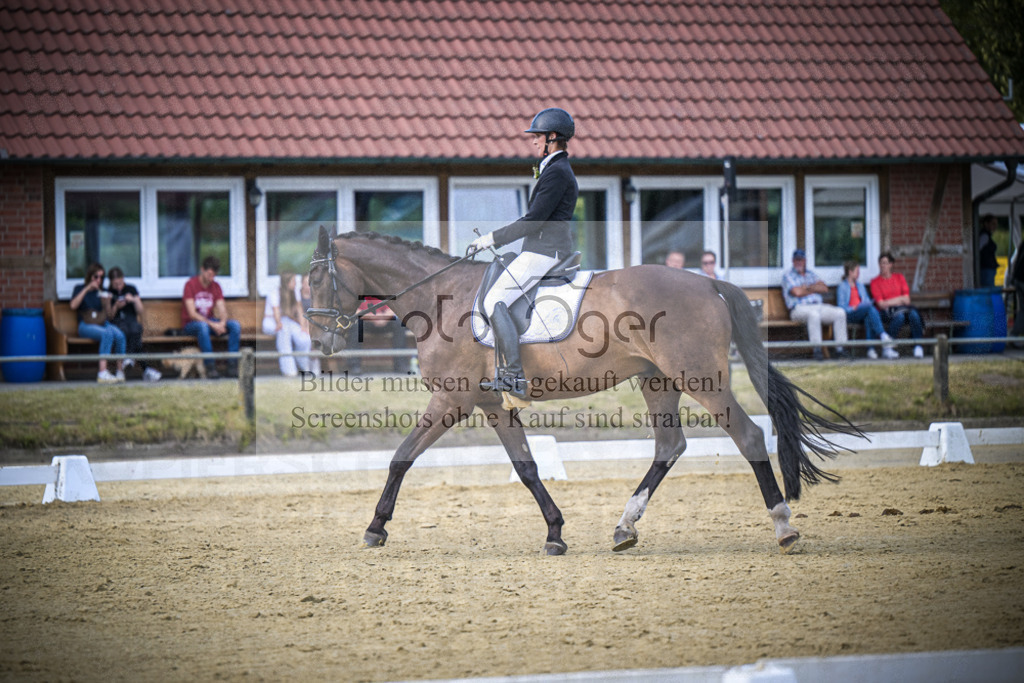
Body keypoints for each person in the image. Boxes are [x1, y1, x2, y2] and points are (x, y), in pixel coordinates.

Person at [468, 107, 578, 400]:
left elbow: (535, 221)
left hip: (545, 251)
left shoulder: (557, 172)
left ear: (552, 138)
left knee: (494, 299)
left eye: (538, 136)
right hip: (541, 247)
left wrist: (490, 239)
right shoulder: (554, 168)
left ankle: (514, 376)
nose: (533, 142)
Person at [782, 249, 849, 361]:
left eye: (801, 260)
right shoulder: (788, 276)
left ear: (805, 261)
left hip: (819, 306)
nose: (799, 262)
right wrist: (814, 288)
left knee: (840, 312)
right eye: (797, 260)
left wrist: (806, 288)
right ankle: (817, 350)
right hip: (798, 309)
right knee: (814, 315)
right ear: (792, 261)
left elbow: (824, 288)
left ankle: (840, 350)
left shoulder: (810, 274)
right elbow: (797, 292)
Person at [181, 255, 241, 378]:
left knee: (235, 325)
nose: (211, 278)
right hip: (191, 324)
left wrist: (222, 322)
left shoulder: (215, 286)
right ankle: (210, 367)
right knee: (203, 327)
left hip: (208, 322)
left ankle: (232, 365)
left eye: (213, 275)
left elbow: (222, 309)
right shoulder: (190, 285)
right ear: (202, 269)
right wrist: (213, 324)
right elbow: (192, 314)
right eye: (209, 274)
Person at [70, 262, 126, 383]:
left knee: (120, 335)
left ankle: (120, 372)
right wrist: (87, 288)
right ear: (90, 276)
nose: (99, 280)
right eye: (96, 276)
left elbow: (110, 316)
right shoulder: (79, 288)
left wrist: (112, 304)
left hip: (102, 323)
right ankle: (102, 372)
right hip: (85, 325)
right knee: (107, 333)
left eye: (101, 277)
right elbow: (73, 306)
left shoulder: (103, 291)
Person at [107, 267, 162, 381]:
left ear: (123, 279)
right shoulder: (109, 293)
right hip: (117, 322)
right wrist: (116, 306)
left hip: (131, 320)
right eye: (115, 284)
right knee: (128, 333)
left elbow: (140, 310)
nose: (118, 286)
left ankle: (130, 357)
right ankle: (146, 369)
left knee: (137, 329)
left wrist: (134, 300)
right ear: (111, 282)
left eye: (120, 283)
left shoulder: (131, 289)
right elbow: (110, 316)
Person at [836, 260, 897, 360]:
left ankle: (871, 350)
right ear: (850, 272)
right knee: (870, 310)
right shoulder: (842, 287)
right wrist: (853, 307)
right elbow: (841, 307)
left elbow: (867, 301)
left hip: (862, 312)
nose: (859, 274)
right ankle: (883, 336)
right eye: (857, 271)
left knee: (869, 315)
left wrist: (865, 304)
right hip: (850, 314)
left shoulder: (860, 285)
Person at [870, 252, 925, 359]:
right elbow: (881, 304)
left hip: (903, 310)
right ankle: (888, 348)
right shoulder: (875, 282)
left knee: (913, 314)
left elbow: (907, 300)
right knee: (899, 317)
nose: (883, 266)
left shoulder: (899, 278)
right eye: (881, 263)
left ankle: (918, 346)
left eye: (885, 263)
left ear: (891, 265)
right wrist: (900, 299)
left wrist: (891, 301)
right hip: (885, 313)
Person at [262, 272, 313, 377]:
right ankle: (289, 371)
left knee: (305, 338)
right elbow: (276, 311)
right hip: (271, 321)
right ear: (287, 282)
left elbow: (299, 309)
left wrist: (303, 326)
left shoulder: (295, 292)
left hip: (287, 320)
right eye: (293, 281)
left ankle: (304, 366)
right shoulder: (275, 292)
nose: (296, 283)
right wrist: (279, 323)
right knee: (283, 332)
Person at [345, 298, 411, 375]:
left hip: (384, 321)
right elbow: (355, 311)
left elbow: (393, 308)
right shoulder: (358, 291)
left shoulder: (381, 290)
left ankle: (401, 365)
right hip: (365, 321)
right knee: (355, 326)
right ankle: (354, 366)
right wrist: (373, 317)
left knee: (399, 324)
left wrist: (383, 317)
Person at [978, 214, 999, 288]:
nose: (995, 226)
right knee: (988, 289)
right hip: (986, 269)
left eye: (996, 224)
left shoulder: (985, 235)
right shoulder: (985, 236)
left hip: (987, 268)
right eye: (993, 224)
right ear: (986, 224)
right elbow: (977, 250)